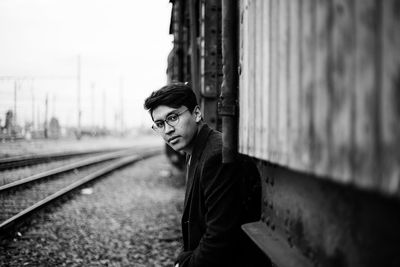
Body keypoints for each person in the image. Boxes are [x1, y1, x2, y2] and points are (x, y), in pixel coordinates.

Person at [144, 83, 268, 267]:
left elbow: (220, 238)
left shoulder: (216, 156)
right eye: (160, 124)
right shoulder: (199, 151)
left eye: (173, 117)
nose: (168, 130)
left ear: (196, 114)